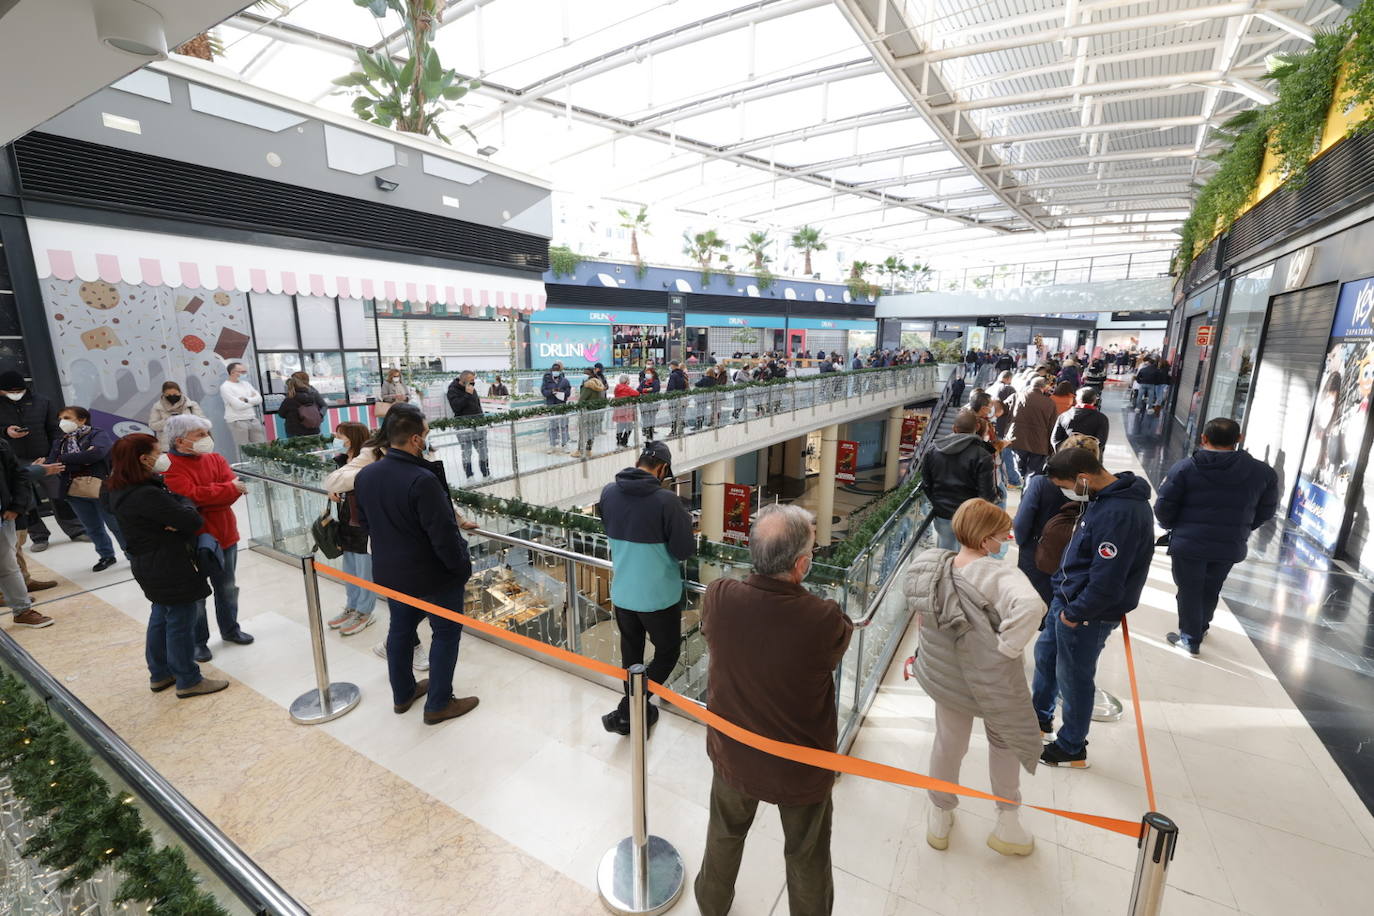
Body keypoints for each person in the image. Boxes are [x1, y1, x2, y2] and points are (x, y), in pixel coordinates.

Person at [694, 503, 852, 916]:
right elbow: (838, 640)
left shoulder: (720, 596)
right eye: (812, 553)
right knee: (807, 856)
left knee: (723, 836)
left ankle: (711, 905)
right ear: (801, 564)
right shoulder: (822, 618)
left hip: (734, 752)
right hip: (799, 767)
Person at [905, 498, 1043, 856]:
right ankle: (1007, 822)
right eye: (1002, 535)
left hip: (949, 679)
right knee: (1005, 743)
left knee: (949, 742)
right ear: (986, 541)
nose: (1006, 540)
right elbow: (1031, 606)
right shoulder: (1001, 575)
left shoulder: (934, 568)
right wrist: (1007, 650)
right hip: (993, 683)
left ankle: (940, 815)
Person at [353, 409, 480, 725]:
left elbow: (365, 523)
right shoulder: (422, 480)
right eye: (425, 432)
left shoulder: (366, 475)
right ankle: (438, 703)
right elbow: (444, 534)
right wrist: (461, 568)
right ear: (414, 439)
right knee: (446, 633)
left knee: (401, 629)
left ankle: (403, 693)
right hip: (432, 576)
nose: (427, 438)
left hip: (390, 572)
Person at [1032, 447, 1153, 768]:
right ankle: (1039, 718)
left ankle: (1071, 746)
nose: (1065, 492)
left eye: (1066, 485)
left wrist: (1076, 613)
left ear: (1083, 478)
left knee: (1074, 677)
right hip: (1068, 600)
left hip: (1087, 613)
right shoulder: (1104, 499)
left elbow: (1108, 578)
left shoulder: (1120, 513)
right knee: (1047, 657)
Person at [107, 434, 226, 697]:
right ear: (143, 458)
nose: (162, 457)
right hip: (168, 563)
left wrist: (180, 508)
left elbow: (180, 507)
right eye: (157, 452)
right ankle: (188, 679)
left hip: (147, 562)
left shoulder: (117, 487)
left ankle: (160, 673)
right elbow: (191, 520)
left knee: (161, 615)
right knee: (181, 622)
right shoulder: (146, 494)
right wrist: (184, 510)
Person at [1154, 418, 1279, 656]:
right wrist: (1243, 527)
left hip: (1189, 543)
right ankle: (1200, 627)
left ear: (1203, 438)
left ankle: (1190, 639)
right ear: (1239, 439)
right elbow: (1267, 510)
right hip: (1230, 543)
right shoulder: (1263, 472)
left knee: (1189, 589)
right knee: (1212, 587)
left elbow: (1164, 507)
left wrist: (1172, 526)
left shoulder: (1185, 468)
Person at [597, 441, 694, 735]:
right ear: (663, 469)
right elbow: (683, 550)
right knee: (667, 652)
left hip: (624, 592)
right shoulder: (667, 502)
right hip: (658, 596)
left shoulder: (608, 492)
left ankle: (632, 708)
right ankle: (630, 709)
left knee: (632, 652)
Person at [162, 415, 254, 662]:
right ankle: (198, 641)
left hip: (225, 533)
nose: (207, 439)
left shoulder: (216, 458)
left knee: (227, 587)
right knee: (197, 594)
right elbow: (189, 498)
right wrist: (225, 491)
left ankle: (230, 629)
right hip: (194, 540)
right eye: (200, 435)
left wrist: (218, 494)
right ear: (180, 440)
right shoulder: (168, 465)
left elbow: (234, 492)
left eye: (207, 433)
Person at [0, 369, 84, 552]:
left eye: (18, 390)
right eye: (9, 391)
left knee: (59, 494)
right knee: (25, 501)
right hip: (14, 461)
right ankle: (38, 536)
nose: (15, 394)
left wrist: (53, 454)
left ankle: (75, 529)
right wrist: (6, 431)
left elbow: (54, 430)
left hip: (45, 456)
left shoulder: (42, 402)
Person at [1014, 433, 1101, 607]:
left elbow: (1021, 524)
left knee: (1032, 608)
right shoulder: (1097, 493)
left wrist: (1025, 544)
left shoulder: (1041, 483)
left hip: (1036, 556)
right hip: (1076, 566)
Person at [38, 406, 126, 572]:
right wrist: (81, 458)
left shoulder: (97, 434)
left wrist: (64, 459)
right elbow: (52, 463)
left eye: (67, 417)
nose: (62, 421)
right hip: (73, 490)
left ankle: (131, 554)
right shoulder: (59, 441)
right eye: (61, 418)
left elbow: (96, 454)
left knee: (115, 524)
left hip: (101, 488)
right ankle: (106, 555)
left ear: (82, 419)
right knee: (92, 527)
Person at [324, 423, 383, 637]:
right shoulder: (342, 461)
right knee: (349, 568)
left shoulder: (368, 461)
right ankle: (352, 605)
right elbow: (335, 483)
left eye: (341, 434)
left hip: (364, 524)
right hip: (346, 522)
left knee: (364, 569)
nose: (336, 437)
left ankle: (365, 611)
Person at [920, 410, 996, 551]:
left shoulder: (933, 450)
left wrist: (936, 502)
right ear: (977, 428)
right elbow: (986, 495)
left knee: (944, 552)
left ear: (954, 428)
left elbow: (926, 483)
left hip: (942, 513)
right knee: (966, 556)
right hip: (969, 517)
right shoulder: (982, 456)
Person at [0, 436, 52, 628]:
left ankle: (22, 611)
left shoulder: (1, 444)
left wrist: (17, 506)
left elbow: (18, 475)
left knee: (8, 567)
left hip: (3, 518)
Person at [1005, 377, 1058, 479]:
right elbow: (1052, 426)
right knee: (1034, 472)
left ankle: (1020, 481)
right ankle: (1028, 490)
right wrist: (1051, 448)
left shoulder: (1017, 396)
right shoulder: (1050, 403)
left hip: (1017, 438)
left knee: (1019, 467)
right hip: (1039, 443)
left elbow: (1004, 409)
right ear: (1045, 387)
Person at [447, 370, 489, 479]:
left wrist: (482, 420)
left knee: (483, 450)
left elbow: (477, 404)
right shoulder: (452, 390)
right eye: (471, 380)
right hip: (463, 425)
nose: (473, 382)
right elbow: (456, 407)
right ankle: (469, 475)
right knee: (467, 452)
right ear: (463, 380)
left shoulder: (471, 388)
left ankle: (486, 472)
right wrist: (466, 394)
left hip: (478, 424)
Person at [220, 362, 265, 453]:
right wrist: (252, 400)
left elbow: (259, 399)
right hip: (237, 420)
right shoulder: (225, 387)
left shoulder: (246, 384)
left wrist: (246, 400)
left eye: (245, 371)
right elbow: (238, 406)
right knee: (244, 450)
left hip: (252, 418)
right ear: (232, 372)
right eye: (242, 372)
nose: (245, 374)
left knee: (261, 447)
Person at [147, 382, 206, 449]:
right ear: (163, 394)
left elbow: (202, 422)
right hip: (167, 447)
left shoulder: (191, 405)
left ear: (180, 392)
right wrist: (168, 421)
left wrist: (186, 420)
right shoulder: (157, 407)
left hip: (189, 445)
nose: (172, 396)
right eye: (168, 395)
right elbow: (152, 425)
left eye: (175, 394)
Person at [279, 371, 326, 437]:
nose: (292, 380)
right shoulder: (312, 393)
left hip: (296, 430)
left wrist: (320, 415)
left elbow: (281, 413)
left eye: (294, 379)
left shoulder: (312, 392)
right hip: (313, 428)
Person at [574, 367, 607, 457]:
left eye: (586, 373)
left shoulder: (588, 386)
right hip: (596, 412)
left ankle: (580, 451)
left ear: (591, 374)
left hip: (586, 412)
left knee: (583, 431)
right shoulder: (599, 384)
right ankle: (588, 450)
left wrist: (578, 407)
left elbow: (582, 400)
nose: (584, 375)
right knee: (591, 432)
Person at [540, 362, 572, 453]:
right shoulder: (546, 380)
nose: (555, 372)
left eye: (557, 370)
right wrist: (551, 391)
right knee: (552, 426)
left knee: (563, 425)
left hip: (561, 405)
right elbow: (544, 391)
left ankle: (565, 445)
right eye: (554, 370)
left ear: (560, 371)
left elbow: (568, 393)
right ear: (551, 370)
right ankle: (553, 445)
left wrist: (561, 393)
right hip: (551, 405)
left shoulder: (564, 380)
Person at [612, 374, 640, 448]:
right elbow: (636, 393)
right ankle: (624, 441)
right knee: (629, 426)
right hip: (626, 410)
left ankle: (619, 441)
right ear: (627, 381)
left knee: (620, 426)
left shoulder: (617, 388)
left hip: (618, 409)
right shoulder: (627, 388)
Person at [639, 365, 662, 441]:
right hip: (644, 404)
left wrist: (645, 390)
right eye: (646, 373)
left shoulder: (656, 382)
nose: (647, 374)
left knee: (651, 419)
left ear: (653, 374)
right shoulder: (643, 381)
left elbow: (655, 390)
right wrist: (647, 390)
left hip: (652, 404)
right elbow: (638, 389)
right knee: (645, 419)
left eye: (649, 373)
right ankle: (646, 433)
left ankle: (650, 435)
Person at [666, 361, 689, 436]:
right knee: (681, 415)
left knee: (673, 416)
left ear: (673, 366)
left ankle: (673, 431)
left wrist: (668, 395)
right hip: (682, 398)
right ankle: (680, 430)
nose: (669, 366)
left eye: (670, 365)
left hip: (674, 398)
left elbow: (670, 387)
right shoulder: (682, 374)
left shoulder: (673, 375)